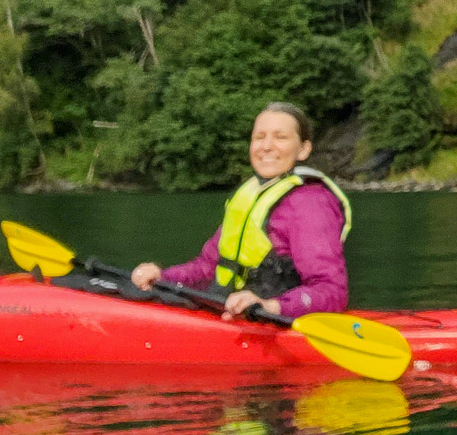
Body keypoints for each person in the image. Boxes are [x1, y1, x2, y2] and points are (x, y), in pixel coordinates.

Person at [132, 103, 353, 321]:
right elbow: (206, 268)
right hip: (227, 312)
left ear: (303, 149)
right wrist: (162, 277)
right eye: (259, 137)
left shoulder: (310, 203)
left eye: (280, 137)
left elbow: (332, 291)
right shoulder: (250, 195)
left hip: (273, 322)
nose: (266, 146)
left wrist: (271, 306)